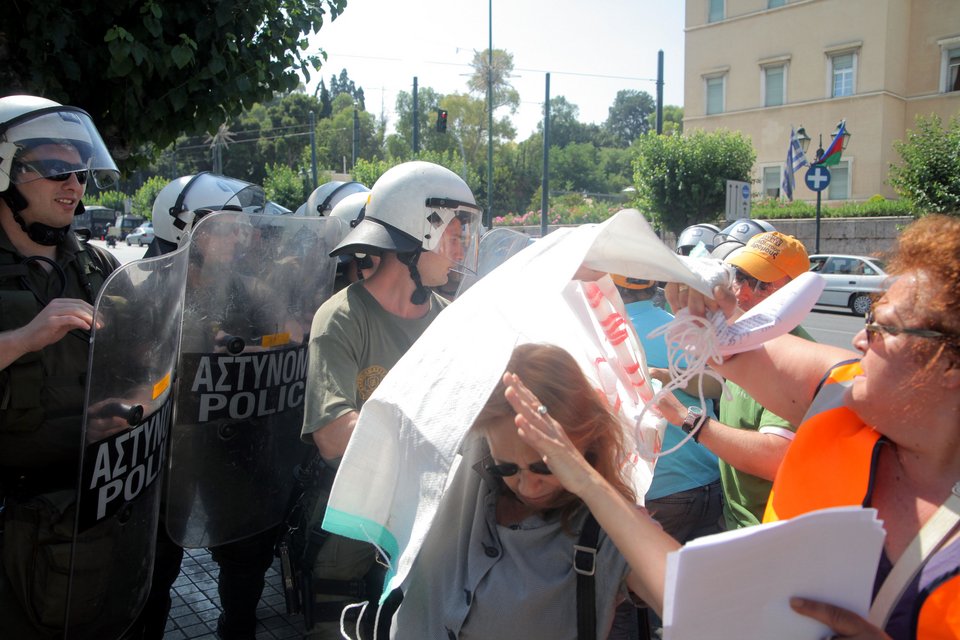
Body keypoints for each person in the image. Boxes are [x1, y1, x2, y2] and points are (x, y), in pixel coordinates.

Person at [659, 214, 960, 639]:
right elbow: (724, 343)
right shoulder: (847, 391)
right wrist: (703, 299)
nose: (859, 339)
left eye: (882, 328)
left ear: (950, 363)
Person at [299, 160, 481, 638]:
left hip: (423, 525)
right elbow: (334, 438)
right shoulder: (340, 318)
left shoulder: (450, 317)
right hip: (352, 530)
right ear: (416, 234)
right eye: (454, 234)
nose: (460, 248)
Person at [391, 343, 679, 638]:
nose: (527, 486)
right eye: (506, 468)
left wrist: (588, 482)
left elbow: (688, 600)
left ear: (585, 442)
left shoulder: (605, 529)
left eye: (545, 466)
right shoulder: (470, 461)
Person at [128, 173, 290, 640]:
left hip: (230, 441)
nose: (236, 237)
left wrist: (257, 345)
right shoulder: (143, 288)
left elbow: (285, 339)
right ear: (182, 227)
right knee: (155, 569)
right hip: (164, 453)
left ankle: (236, 629)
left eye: (239, 227)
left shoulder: (249, 289)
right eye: (222, 226)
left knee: (246, 553)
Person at [0, 95, 121, 637]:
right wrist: (25, 338)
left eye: (79, 173)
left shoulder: (99, 265)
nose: (73, 186)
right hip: (10, 515)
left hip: (91, 509)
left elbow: (144, 354)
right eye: (54, 171)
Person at [656, 230, 815, 529]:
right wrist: (670, 375)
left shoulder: (797, 358)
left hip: (767, 532)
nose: (741, 291)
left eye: (760, 284)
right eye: (738, 276)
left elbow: (775, 457)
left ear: (796, 292)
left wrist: (687, 419)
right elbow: (720, 385)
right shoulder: (742, 338)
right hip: (733, 518)